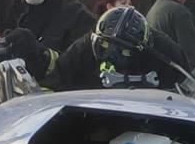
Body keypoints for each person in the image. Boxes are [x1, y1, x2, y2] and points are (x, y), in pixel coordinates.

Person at [44, 6, 182, 92]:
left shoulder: (164, 52)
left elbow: (185, 90)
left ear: (143, 49)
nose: (110, 54)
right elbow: (54, 84)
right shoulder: (83, 49)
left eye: (124, 51)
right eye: (104, 45)